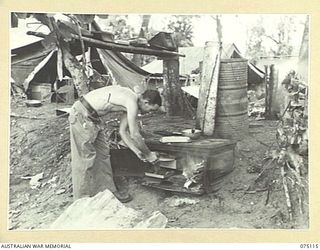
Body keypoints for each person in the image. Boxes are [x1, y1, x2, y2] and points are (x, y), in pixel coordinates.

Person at [68, 85, 161, 202]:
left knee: (103, 155)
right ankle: (81, 200)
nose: (149, 113)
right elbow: (135, 135)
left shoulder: (130, 104)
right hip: (81, 114)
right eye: (151, 110)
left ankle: (107, 193)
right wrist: (149, 155)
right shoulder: (131, 102)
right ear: (146, 102)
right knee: (84, 158)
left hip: (94, 119)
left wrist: (137, 151)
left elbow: (123, 132)